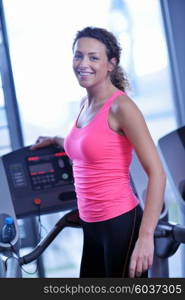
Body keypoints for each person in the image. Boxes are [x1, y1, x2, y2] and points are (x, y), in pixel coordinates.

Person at [31, 26, 166, 278]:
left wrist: (146, 236)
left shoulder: (121, 107)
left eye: (94, 57)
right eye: (78, 55)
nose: (83, 63)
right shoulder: (85, 104)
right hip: (92, 226)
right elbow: (91, 146)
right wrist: (57, 140)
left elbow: (157, 173)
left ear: (111, 64)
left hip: (121, 224)